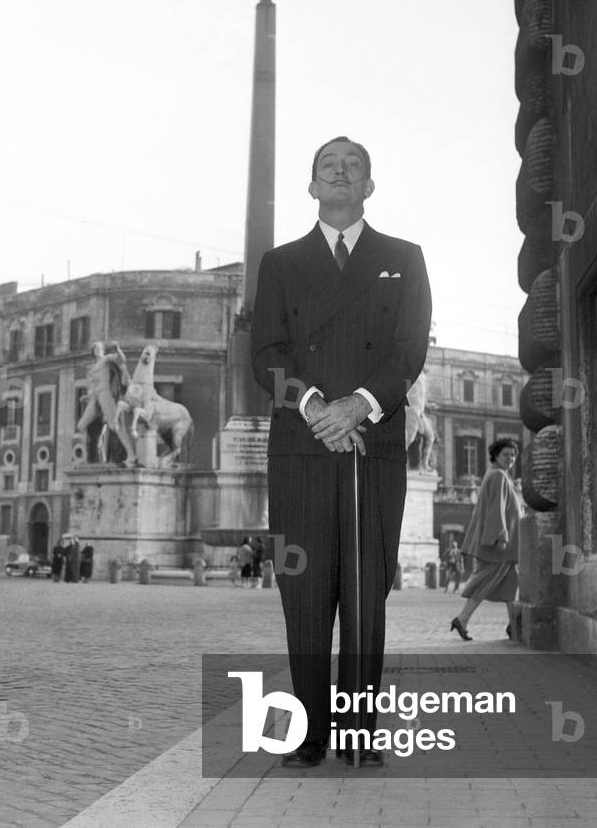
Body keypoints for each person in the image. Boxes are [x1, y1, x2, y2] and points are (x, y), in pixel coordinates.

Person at [252, 136, 432, 768]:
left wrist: (358, 404)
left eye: (352, 166)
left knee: (364, 591)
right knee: (303, 594)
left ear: (368, 186)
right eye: (328, 166)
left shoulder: (403, 259)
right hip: (302, 448)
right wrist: (317, 410)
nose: (339, 173)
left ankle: (359, 733)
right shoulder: (279, 263)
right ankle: (309, 734)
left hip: (371, 444)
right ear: (311, 187)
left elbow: (409, 348)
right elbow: (267, 354)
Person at [449, 439, 522, 641]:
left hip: (502, 544)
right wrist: (501, 536)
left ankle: (513, 626)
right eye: (506, 454)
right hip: (500, 545)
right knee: (484, 582)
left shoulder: (497, 474)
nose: (510, 459)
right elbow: (495, 509)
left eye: (513, 455)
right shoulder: (498, 476)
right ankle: (462, 619)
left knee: (510, 584)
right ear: (496, 455)